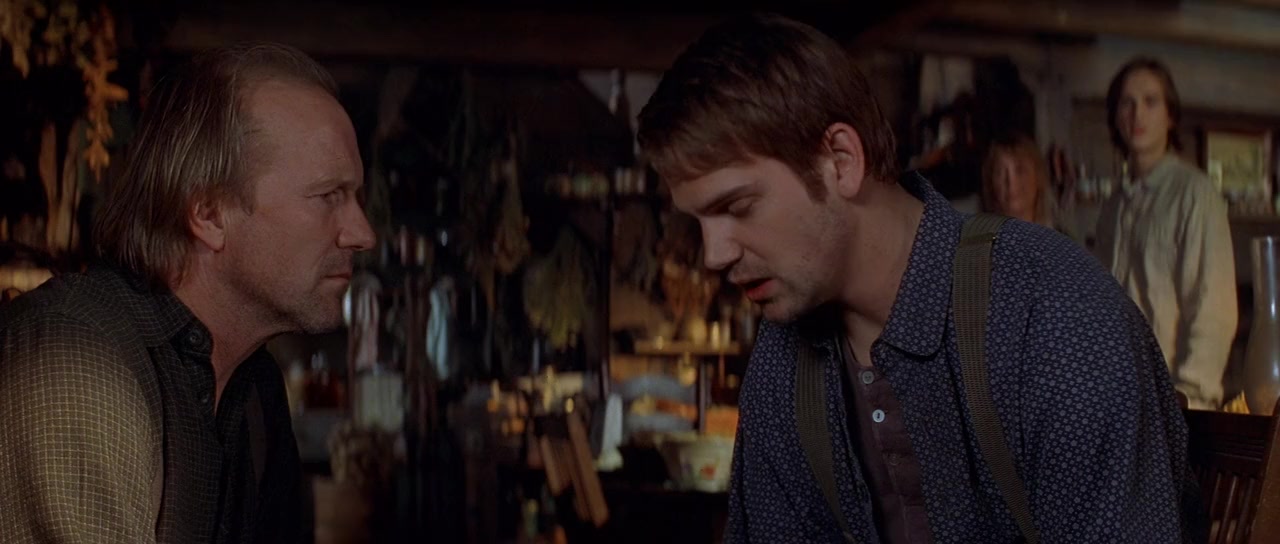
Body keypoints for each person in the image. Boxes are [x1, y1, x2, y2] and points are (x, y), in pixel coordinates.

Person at [637, 14, 1202, 543]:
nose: (713, 255)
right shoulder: (783, 365)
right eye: (699, 221)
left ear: (841, 160)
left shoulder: (1053, 314)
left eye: (737, 206)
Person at [0, 42, 375, 543]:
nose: (363, 233)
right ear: (209, 215)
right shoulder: (75, 360)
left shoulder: (255, 392)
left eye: (355, 197)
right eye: (329, 196)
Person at [1094, 57, 1237, 411]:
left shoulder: (1195, 193)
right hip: (1117, 400)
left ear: (1170, 115)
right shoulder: (1114, 205)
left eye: (1150, 101)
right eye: (1127, 102)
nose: (1137, 114)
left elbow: (1213, 308)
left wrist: (1189, 396)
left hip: (1174, 403)